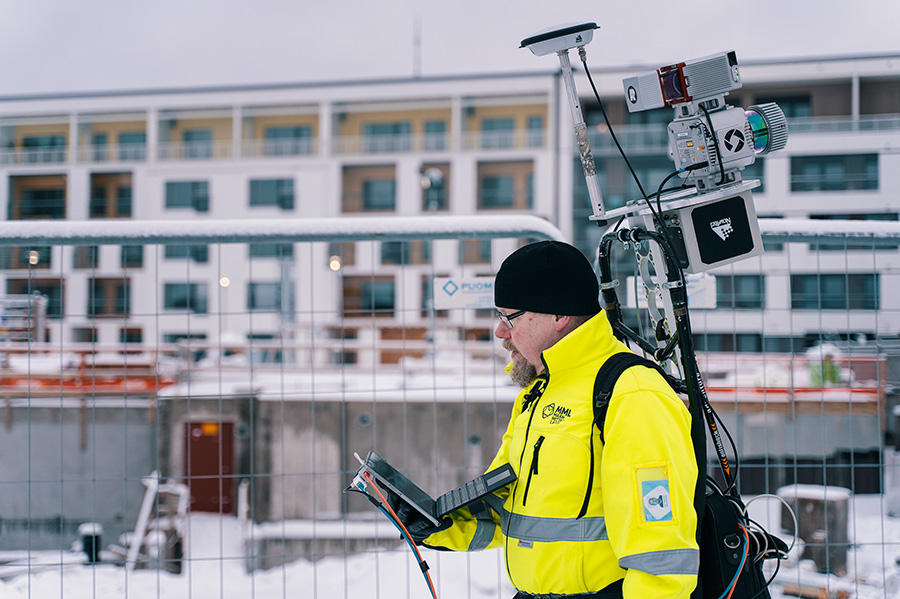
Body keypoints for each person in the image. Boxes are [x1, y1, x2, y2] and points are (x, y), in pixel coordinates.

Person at [392, 240, 699, 599]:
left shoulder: (632, 395)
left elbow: (660, 554)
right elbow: (509, 508)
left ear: (558, 317)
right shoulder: (540, 391)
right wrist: (435, 525)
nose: (500, 332)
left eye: (509, 317)